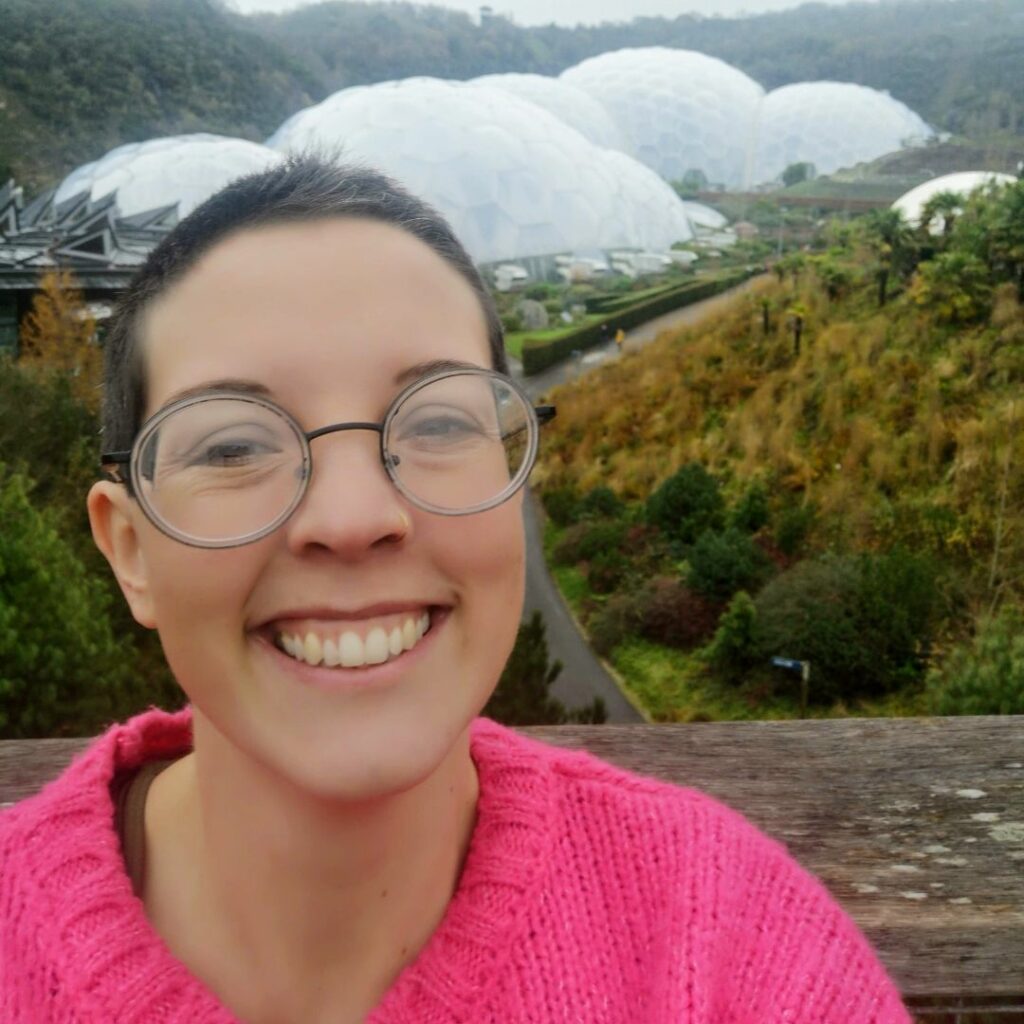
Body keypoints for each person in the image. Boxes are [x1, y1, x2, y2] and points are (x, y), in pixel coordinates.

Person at [0, 155, 912, 1024]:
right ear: (129, 549)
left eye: (437, 419)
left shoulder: (718, 932)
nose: (353, 517)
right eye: (235, 445)